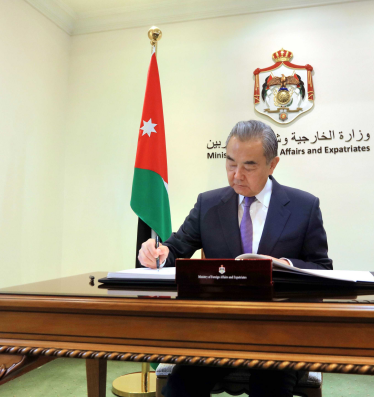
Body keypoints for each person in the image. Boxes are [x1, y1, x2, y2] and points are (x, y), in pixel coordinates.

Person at [138, 119, 332, 397]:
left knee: (270, 390)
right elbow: (177, 247)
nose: (236, 175)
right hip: (216, 331)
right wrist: (158, 253)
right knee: (180, 390)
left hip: (278, 335)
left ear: (272, 165)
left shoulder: (304, 207)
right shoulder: (208, 204)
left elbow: (323, 269)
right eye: (230, 163)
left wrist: (285, 266)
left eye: (249, 166)